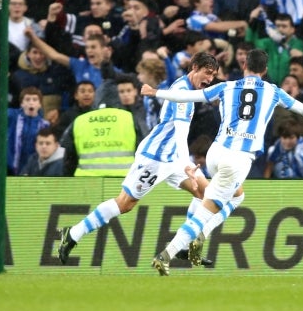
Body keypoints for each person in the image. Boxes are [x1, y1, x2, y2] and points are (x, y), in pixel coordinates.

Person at [144, 49, 303, 275]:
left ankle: (199, 238)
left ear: (244, 66)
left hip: (216, 152)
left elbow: (191, 96)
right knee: (208, 209)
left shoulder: (227, 86)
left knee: (237, 195)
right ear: (265, 70)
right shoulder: (273, 91)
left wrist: (157, 92)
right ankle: (167, 254)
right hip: (238, 158)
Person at [58, 53, 228, 266]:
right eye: (207, 73)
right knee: (125, 204)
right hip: (155, 158)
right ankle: (73, 234)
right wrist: (188, 165)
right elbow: (180, 132)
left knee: (205, 193)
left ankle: (185, 246)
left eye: (213, 76)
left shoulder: (186, 88)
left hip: (172, 157)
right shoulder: (182, 93)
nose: (210, 79)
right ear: (194, 67)